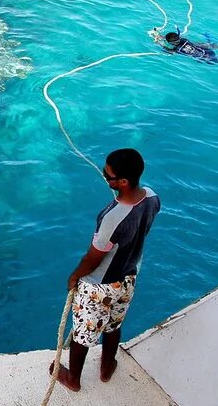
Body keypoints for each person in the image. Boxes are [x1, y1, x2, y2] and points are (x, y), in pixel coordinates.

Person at [49, 148, 161, 391]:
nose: (104, 178)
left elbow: (93, 258)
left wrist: (75, 276)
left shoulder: (111, 217)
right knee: (113, 325)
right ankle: (107, 367)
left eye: (107, 175)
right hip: (128, 279)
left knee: (83, 334)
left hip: (100, 286)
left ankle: (73, 379)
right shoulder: (152, 198)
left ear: (123, 181)